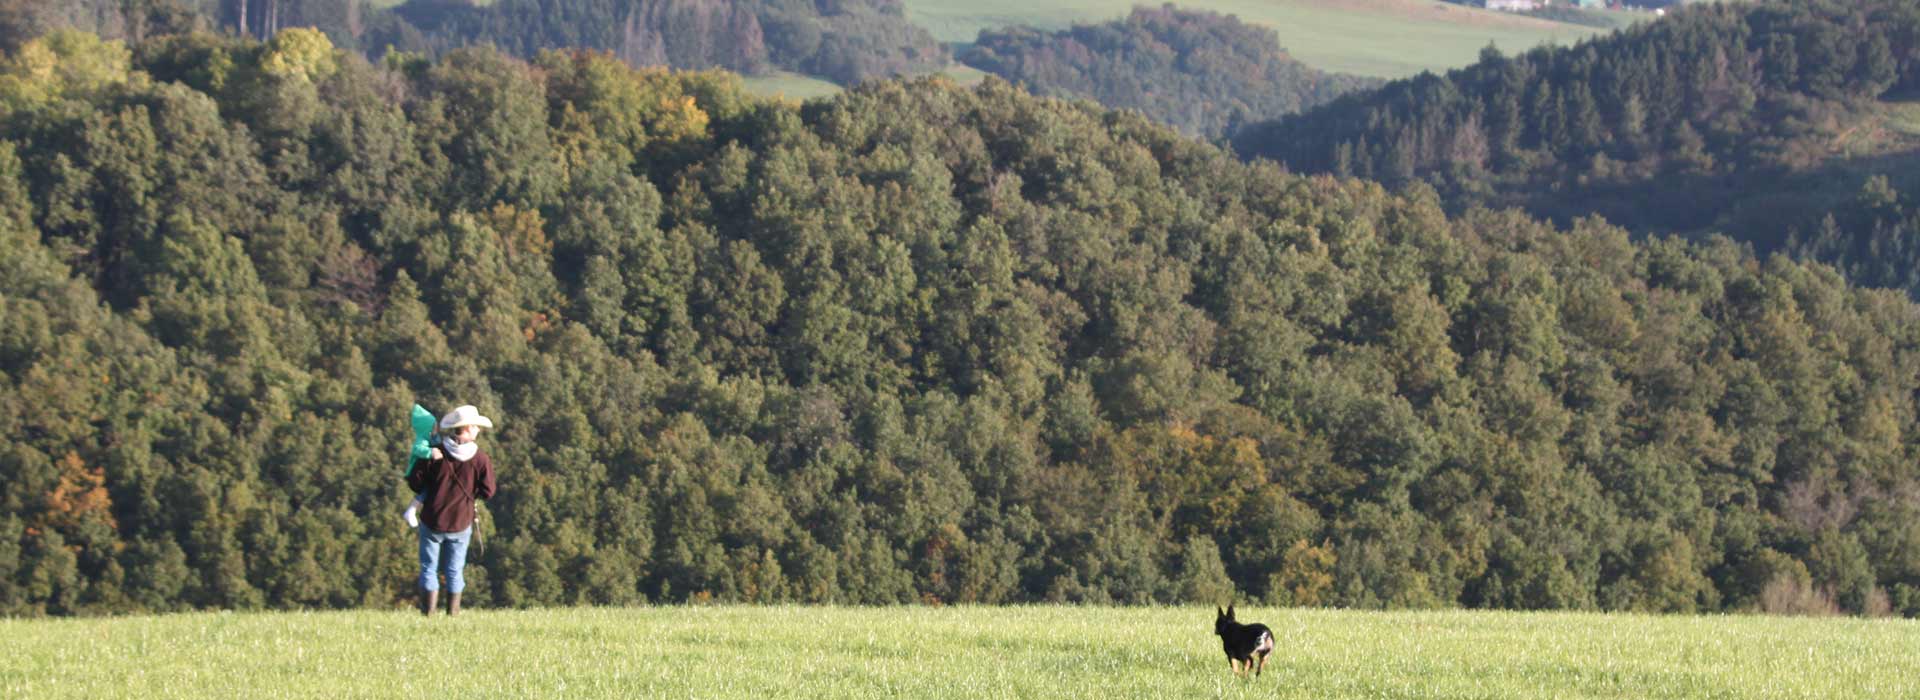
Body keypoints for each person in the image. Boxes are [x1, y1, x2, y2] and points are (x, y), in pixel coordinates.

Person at [407, 404, 497, 616]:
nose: (478, 430)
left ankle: (428, 614)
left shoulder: (436, 452)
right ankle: (452, 614)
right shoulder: (480, 459)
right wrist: (471, 494)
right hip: (461, 521)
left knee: (428, 568)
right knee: (454, 570)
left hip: (432, 519)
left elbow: (415, 483)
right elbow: (488, 491)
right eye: (475, 426)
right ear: (467, 428)